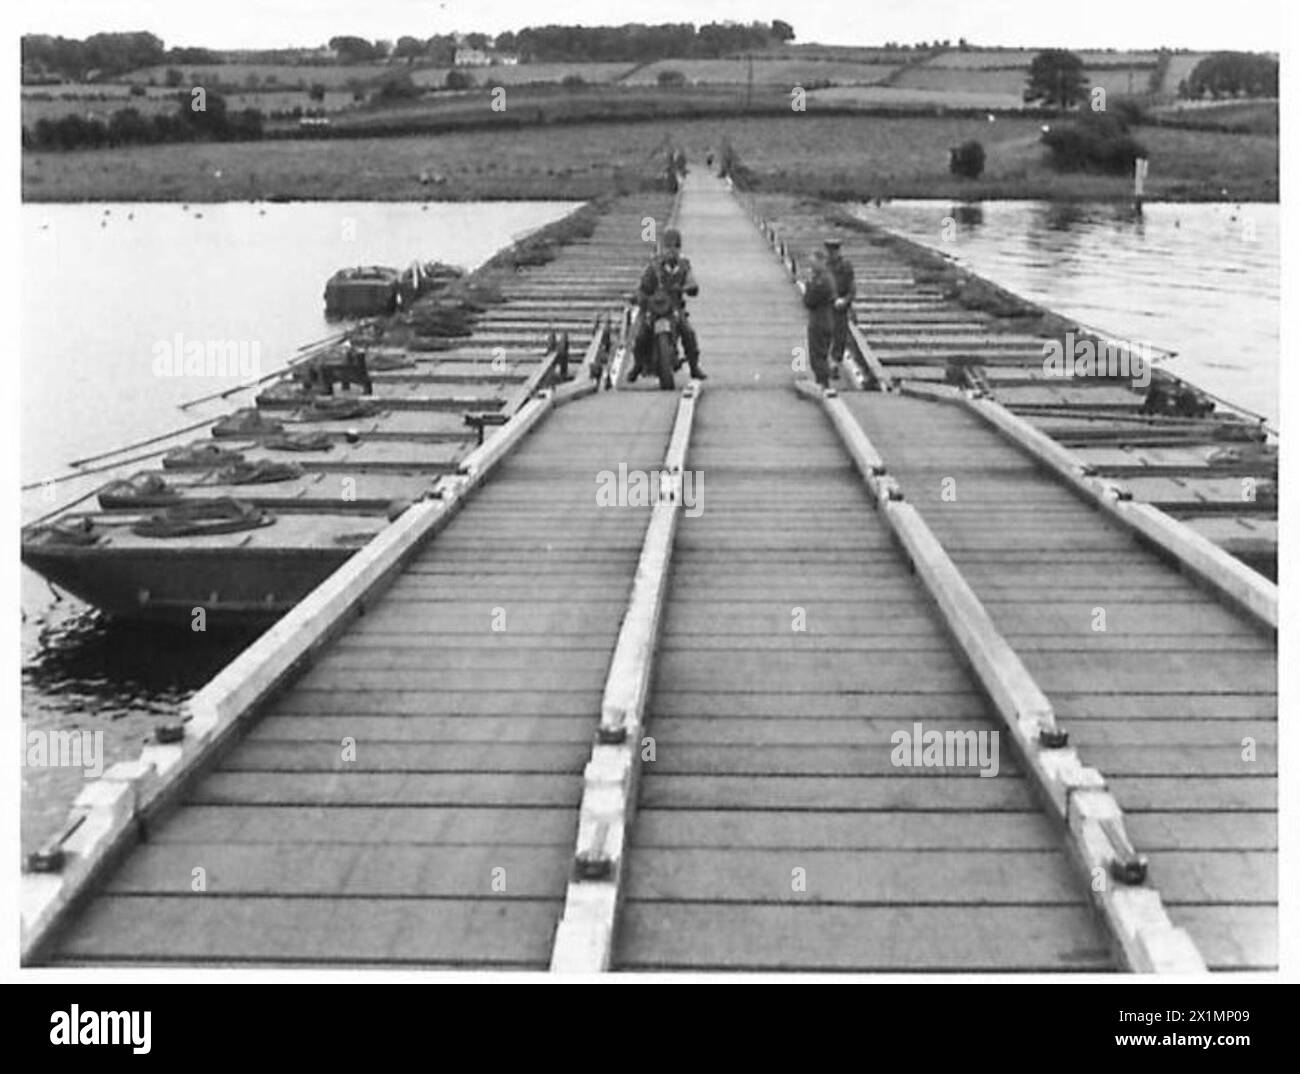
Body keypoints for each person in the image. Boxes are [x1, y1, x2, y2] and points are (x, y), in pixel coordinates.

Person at [630, 227, 705, 381]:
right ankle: (637, 364)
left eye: (675, 246)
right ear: (662, 248)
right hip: (654, 309)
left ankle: (694, 366)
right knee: (640, 335)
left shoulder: (684, 267)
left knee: (688, 332)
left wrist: (689, 288)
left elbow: (692, 282)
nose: (671, 250)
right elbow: (642, 287)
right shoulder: (653, 267)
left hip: (674, 309)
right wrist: (639, 296)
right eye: (668, 246)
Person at [801, 251, 837, 388]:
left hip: (819, 321)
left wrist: (808, 284)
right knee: (820, 353)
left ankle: (823, 383)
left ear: (821, 262)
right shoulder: (826, 278)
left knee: (817, 355)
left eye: (813, 262)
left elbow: (809, 300)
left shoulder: (821, 280)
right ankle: (823, 381)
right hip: (826, 319)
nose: (811, 265)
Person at [823, 238, 856, 380]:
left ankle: (835, 364)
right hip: (826, 306)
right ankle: (830, 366)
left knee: (840, 338)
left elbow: (852, 288)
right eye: (830, 251)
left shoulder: (846, 267)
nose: (832, 254)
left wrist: (845, 301)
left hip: (841, 307)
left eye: (834, 251)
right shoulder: (823, 266)